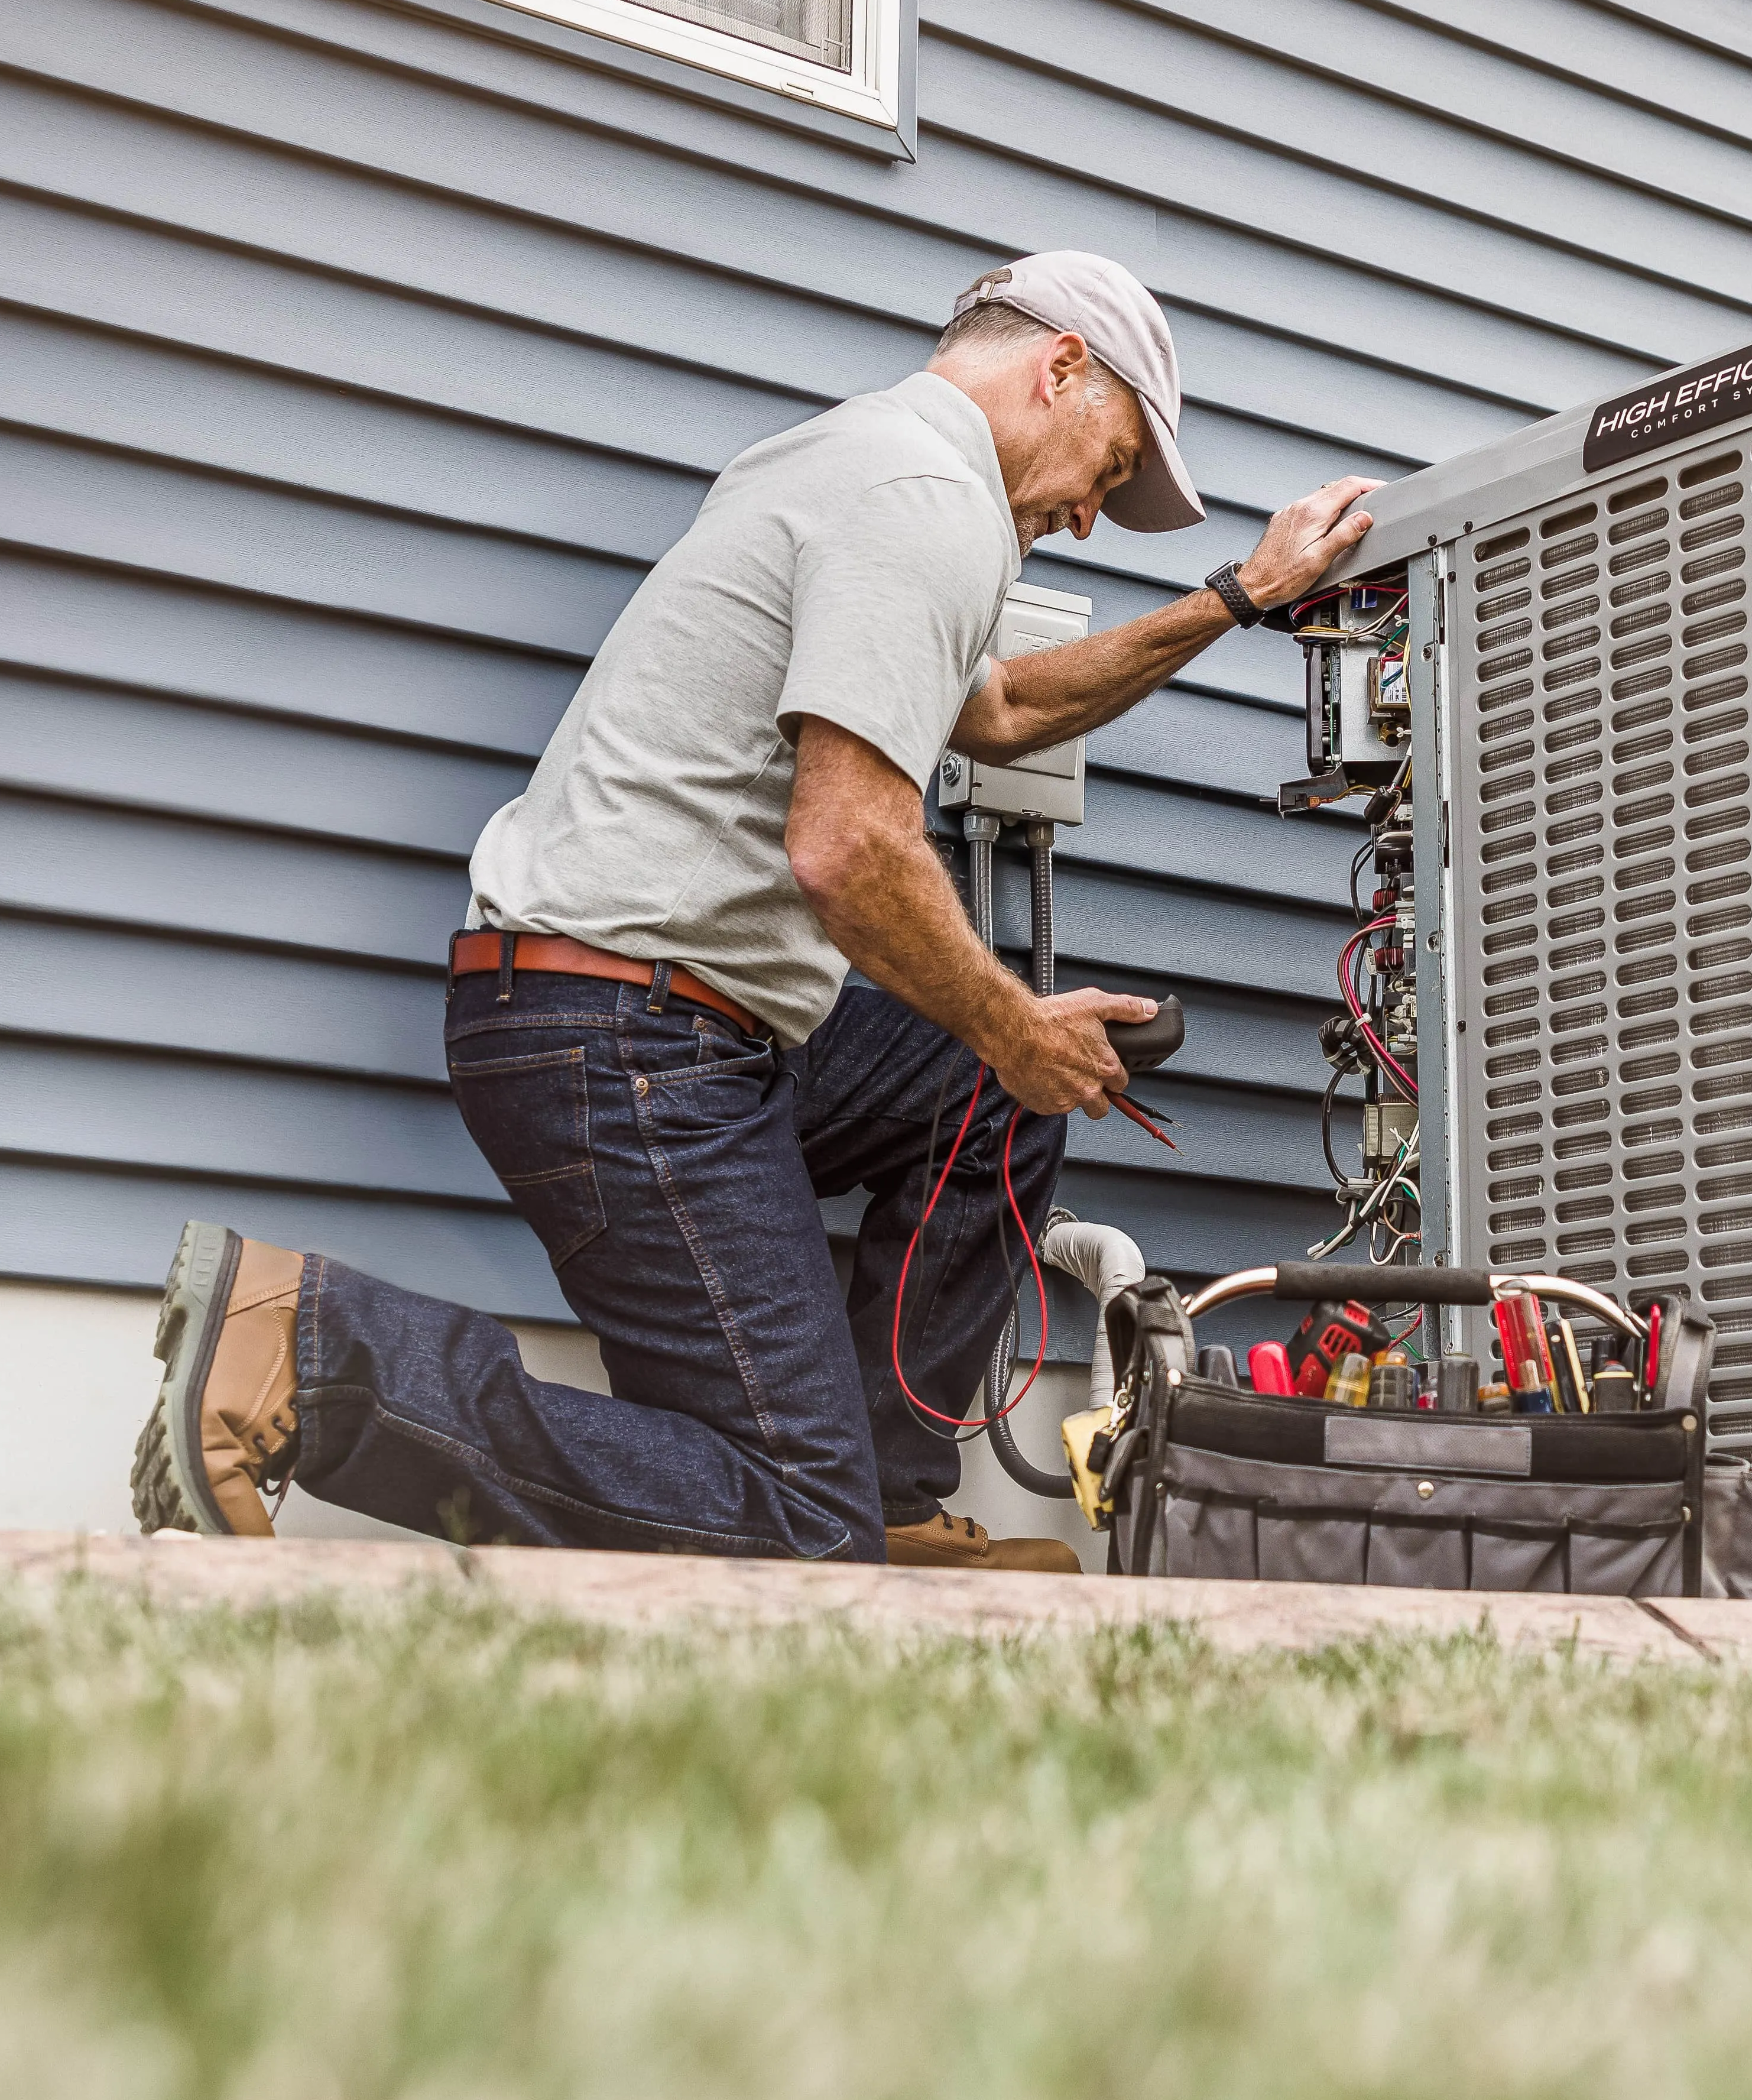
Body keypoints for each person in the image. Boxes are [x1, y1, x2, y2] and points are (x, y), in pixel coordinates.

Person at [131, 253, 1381, 1567]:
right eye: (1109, 465)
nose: (1088, 514)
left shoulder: (849, 458)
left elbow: (1003, 708)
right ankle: (310, 1351)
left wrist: (1238, 597)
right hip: (620, 1036)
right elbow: (846, 848)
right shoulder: (923, 500)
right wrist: (1016, 1022)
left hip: (633, 1013)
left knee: (987, 1091)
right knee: (797, 1518)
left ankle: (886, 1497)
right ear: (1057, 369)